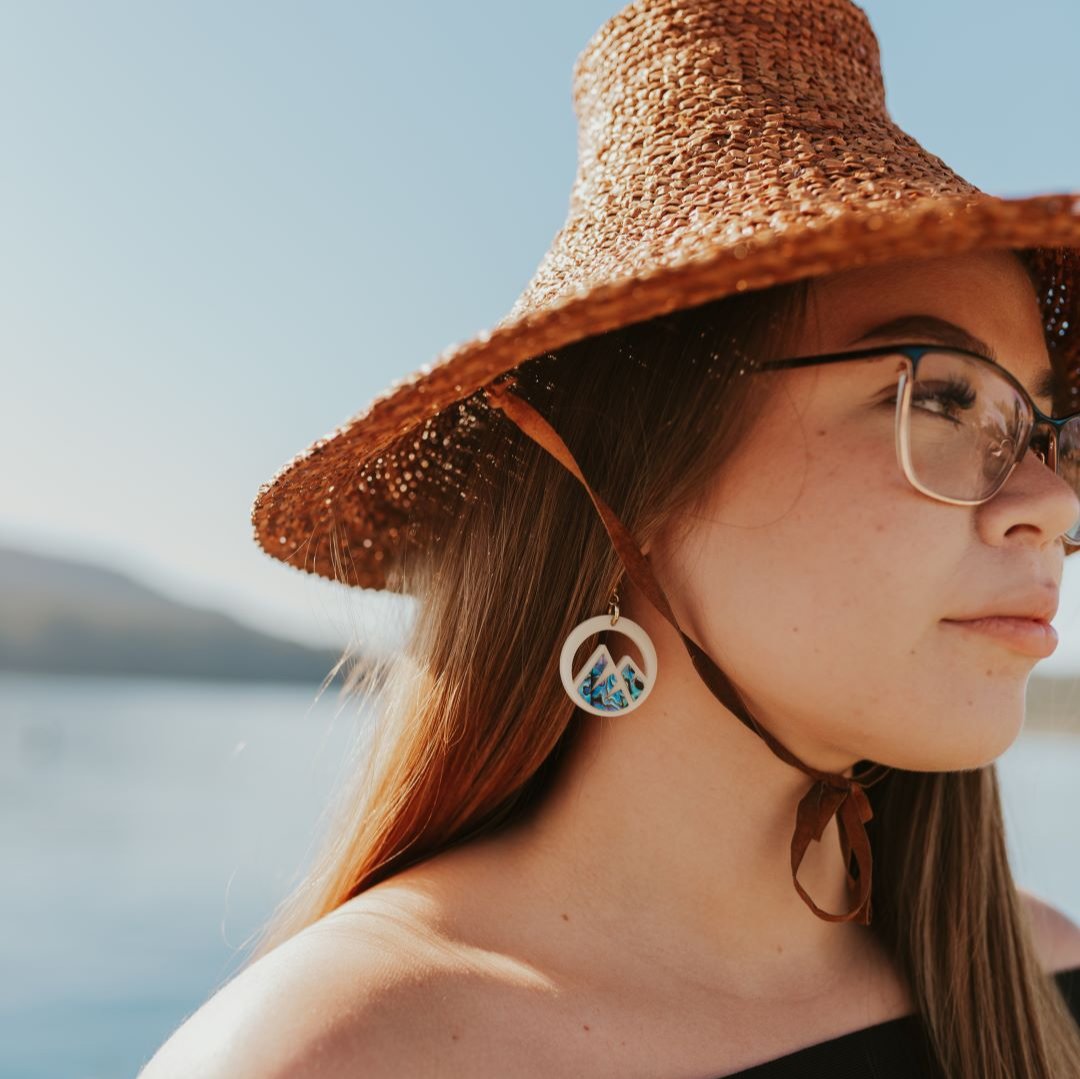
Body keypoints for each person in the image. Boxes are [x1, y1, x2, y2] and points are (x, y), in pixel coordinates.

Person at [141, 0, 1080, 1076]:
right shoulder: (337, 1054)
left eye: (1052, 431)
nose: (1052, 503)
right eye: (947, 400)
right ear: (630, 478)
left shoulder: (1043, 979)